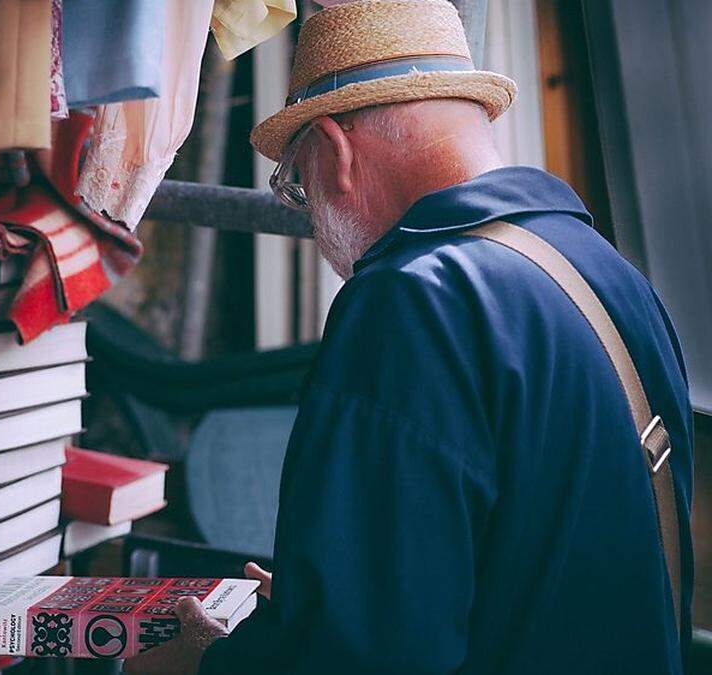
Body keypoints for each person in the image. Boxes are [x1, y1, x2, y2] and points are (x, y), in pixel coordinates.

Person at [124, 0, 693, 673]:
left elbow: (357, 662)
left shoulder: (412, 302)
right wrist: (331, 604)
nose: (314, 230)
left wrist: (204, 663)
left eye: (297, 188)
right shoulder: (612, 275)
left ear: (334, 151)